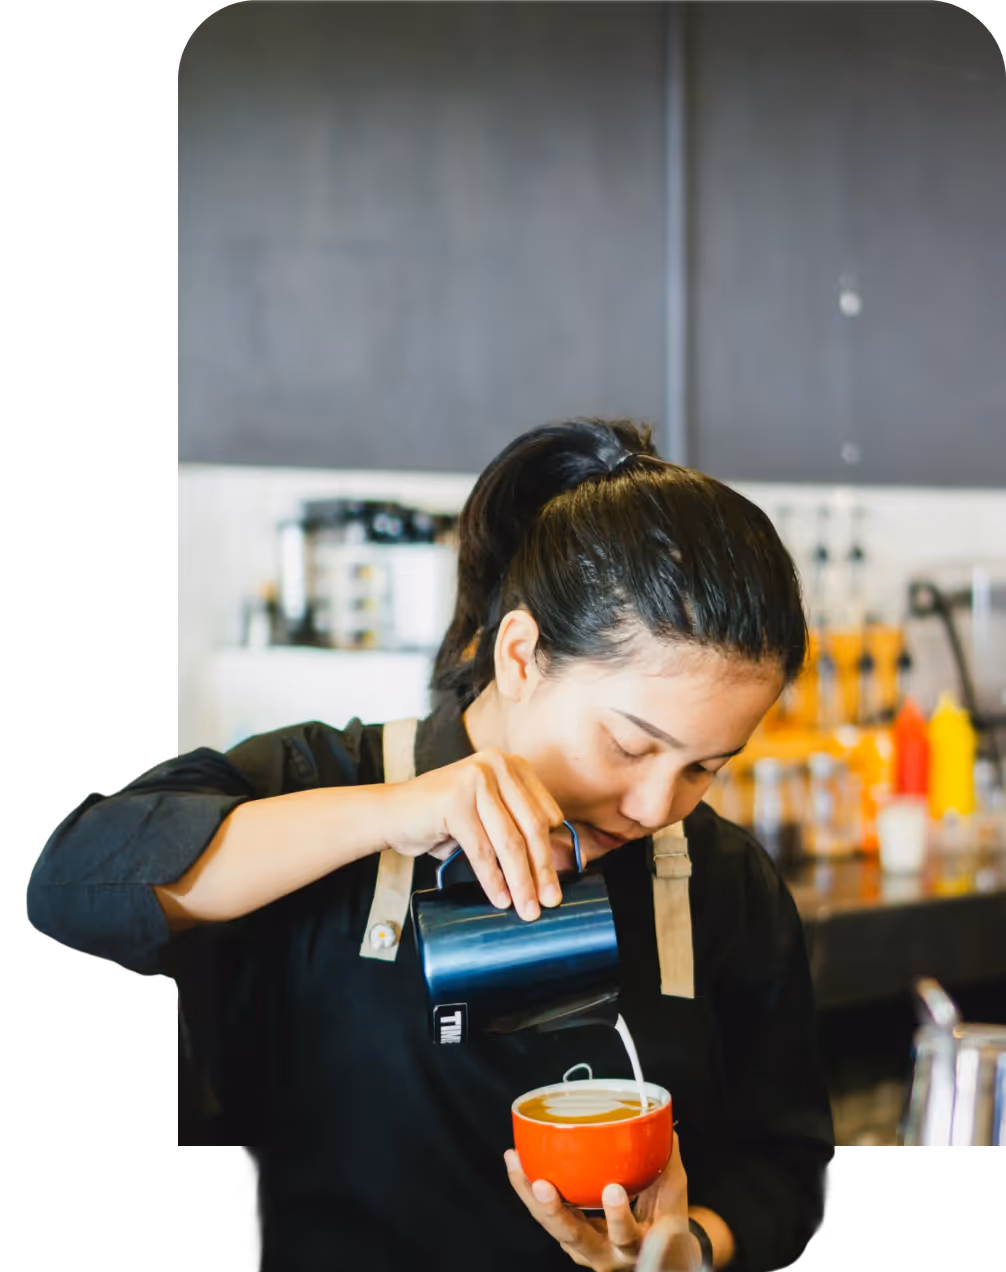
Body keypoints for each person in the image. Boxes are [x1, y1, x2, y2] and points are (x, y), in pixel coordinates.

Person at [27, 419, 835, 1272]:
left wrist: (693, 1246)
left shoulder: (717, 875)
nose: (652, 804)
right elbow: (73, 884)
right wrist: (389, 813)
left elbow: (784, 1163)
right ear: (521, 655)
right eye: (630, 745)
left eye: (704, 767)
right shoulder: (331, 780)